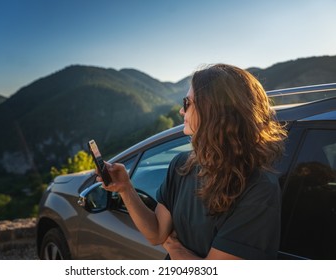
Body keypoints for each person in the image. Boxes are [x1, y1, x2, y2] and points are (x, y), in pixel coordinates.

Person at [96, 63, 287, 260]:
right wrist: (125, 188)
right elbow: (156, 233)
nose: (181, 111)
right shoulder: (182, 165)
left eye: (187, 103)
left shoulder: (258, 188)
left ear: (213, 110)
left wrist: (175, 248)